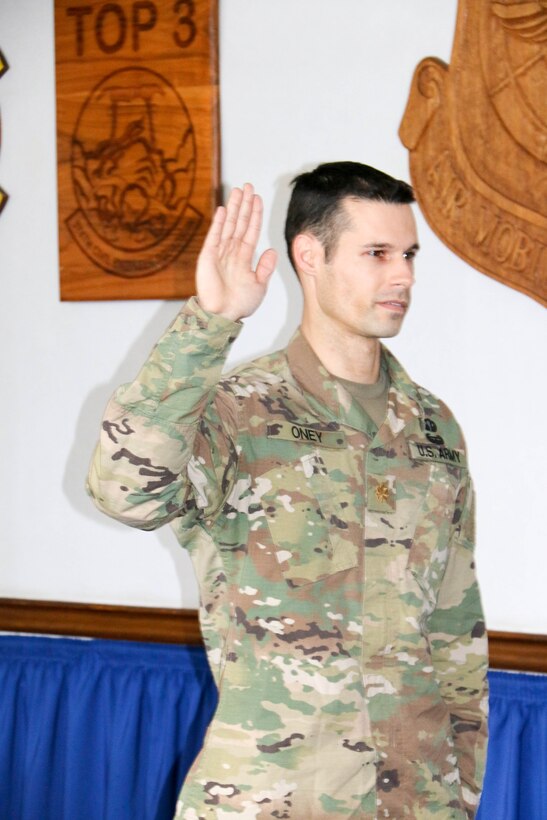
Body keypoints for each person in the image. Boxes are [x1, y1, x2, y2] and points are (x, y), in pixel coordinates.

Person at [87, 162, 488, 819]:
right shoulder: (238, 411)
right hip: (268, 796)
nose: (404, 276)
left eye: (409, 255)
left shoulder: (431, 427)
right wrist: (209, 324)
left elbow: (453, 622)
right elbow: (124, 489)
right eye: (377, 254)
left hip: (414, 798)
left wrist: (459, 790)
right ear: (310, 255)